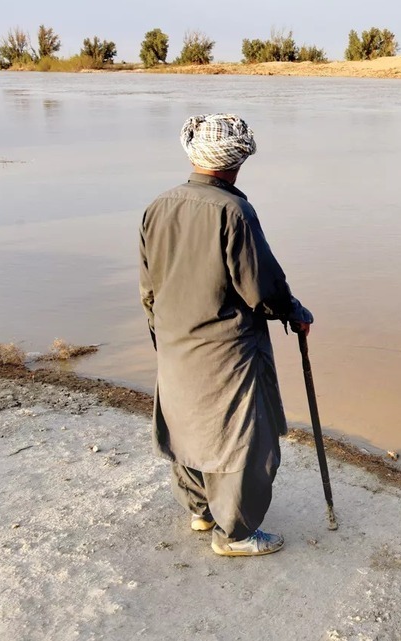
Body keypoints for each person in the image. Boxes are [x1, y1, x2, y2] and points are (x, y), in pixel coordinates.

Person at [139, 113, 312, 557]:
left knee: (186, 426)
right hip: (227, 349)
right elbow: (262, 288)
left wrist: (162, 337)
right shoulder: (234, 211)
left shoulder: (158, 206)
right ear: (237, 161)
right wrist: (293, 311)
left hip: (176, 342)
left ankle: (200, 510)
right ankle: (233, 533)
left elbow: (148, 286)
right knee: (242, 438)